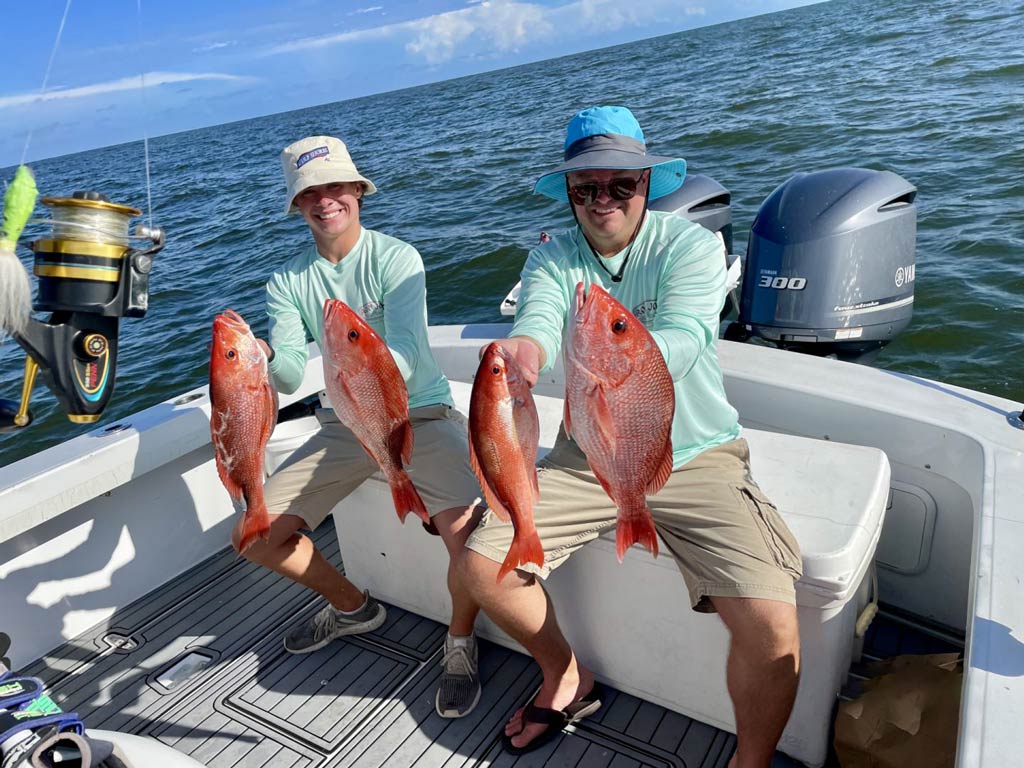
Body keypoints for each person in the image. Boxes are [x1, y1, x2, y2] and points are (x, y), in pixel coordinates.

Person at [458, 107, 803, 767]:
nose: (604, 199)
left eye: (621, 184)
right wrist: (524, 353)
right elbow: (536, 318)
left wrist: (623, 356)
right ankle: (565, 674)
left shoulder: (691, 246)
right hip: (588, 455)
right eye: (585, 187)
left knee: (772, 624)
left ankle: (750, 762)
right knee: (482, 566)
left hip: (698, 456)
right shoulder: (552, 260)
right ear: (568, 194)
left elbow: (691, 333)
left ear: (649, 183)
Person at [237, 135, 486, 719]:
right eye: (310, 193)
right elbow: (296, 372)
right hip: (342, 422)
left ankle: (459, 642)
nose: (325, 201)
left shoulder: (397, 259)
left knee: (471, 542)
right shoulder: (286, 283)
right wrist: (264, 356)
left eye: (334, 187)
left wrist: (358, 363)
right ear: (297, 206)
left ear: (357, 192)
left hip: (416, 411)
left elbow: (404, 351)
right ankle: (352, 606)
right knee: (254, 535)